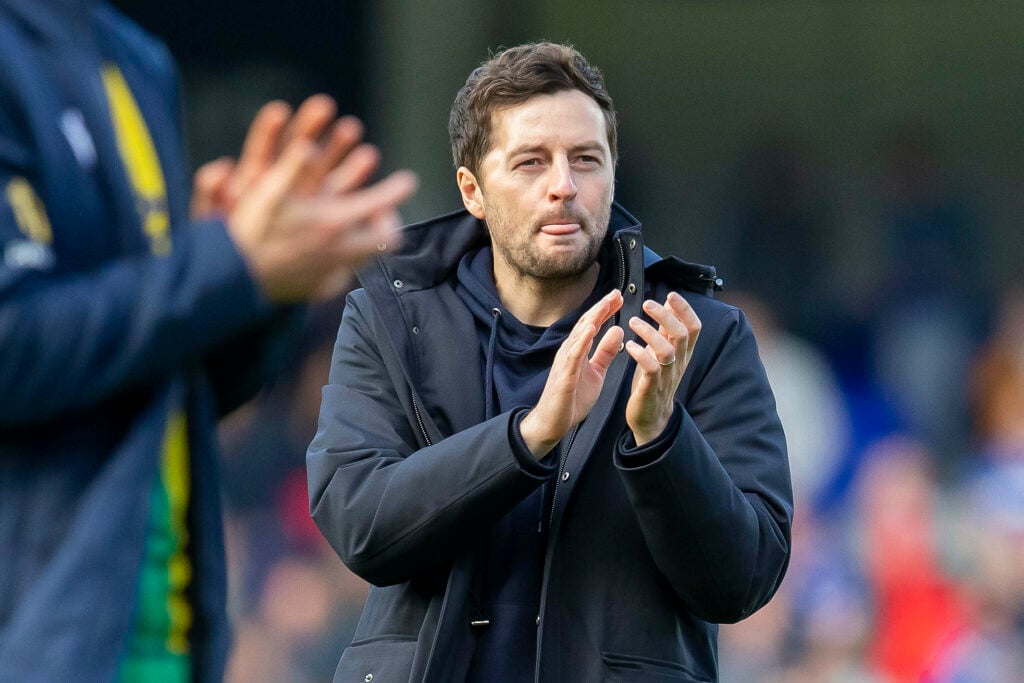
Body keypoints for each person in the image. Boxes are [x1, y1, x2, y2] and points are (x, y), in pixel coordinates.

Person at [307, 42, 792, 682]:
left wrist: (660, 437)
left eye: (585, 160)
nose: (563, 186)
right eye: (531, 163)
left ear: (612, 171)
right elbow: (362, 525)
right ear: (472, 190)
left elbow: (743, 581)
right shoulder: (389, 320)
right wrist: (530, 435)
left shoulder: (695, 334)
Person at [0, 1, 416, 681]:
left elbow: (153, 383)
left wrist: (255, 285)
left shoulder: (137, 59)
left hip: (170, 641)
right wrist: (226, 263)